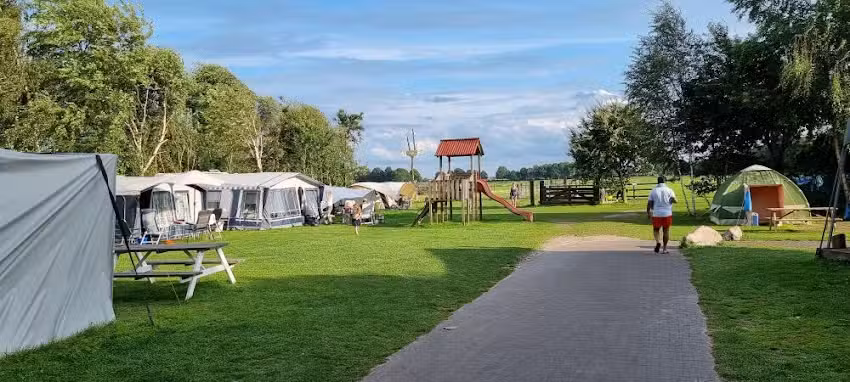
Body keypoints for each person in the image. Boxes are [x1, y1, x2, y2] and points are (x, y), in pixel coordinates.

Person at [647, 176, 676, 253]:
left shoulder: (653, 191)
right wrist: (673, 200)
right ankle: (665, 249)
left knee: (656, 229)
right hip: (667, 213)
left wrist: (648, 212)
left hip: (657, 213)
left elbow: (649, 203)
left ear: (658, 181)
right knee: (666, 231)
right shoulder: (670, 190)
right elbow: (674, 200)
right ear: (665, 181)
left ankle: (658, 242)